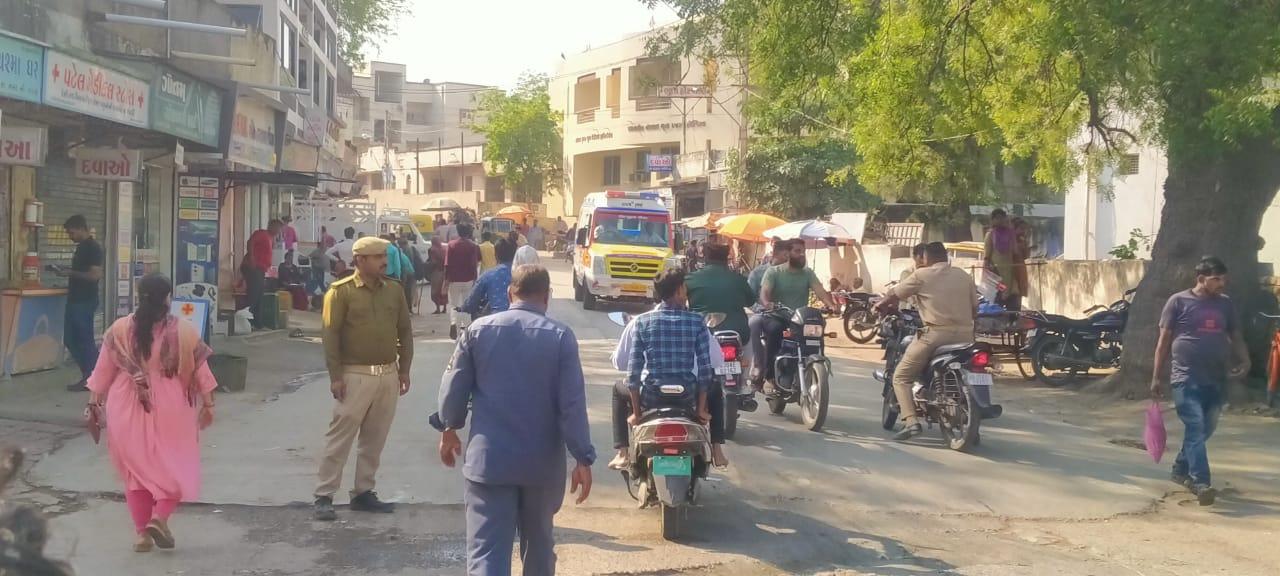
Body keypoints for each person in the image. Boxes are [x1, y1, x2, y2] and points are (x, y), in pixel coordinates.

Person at [436, 265, 595, 576]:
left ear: (510, 293)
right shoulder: (561, 337)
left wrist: (449, 427)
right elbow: (572, 405)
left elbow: (454, 389)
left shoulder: (478, 331)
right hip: (541, 468)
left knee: (487, 556)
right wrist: (582, 457)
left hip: (489, 464)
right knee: (538, 552)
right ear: (547, 297)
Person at [86, 274, 217, 552]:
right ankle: (159, 518)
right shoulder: (184, 331)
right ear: (167, 299)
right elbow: (201, 370)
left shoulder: (119, 330)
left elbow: (102, 372)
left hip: (124, 405)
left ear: (139, 295)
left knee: (137, 473)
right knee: (175, 466)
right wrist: (208, 404)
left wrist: (93, 402)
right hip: (171, 406)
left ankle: (141, 535)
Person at [314, 237, 413, 521]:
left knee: (375, 438)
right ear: (360, 260)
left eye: (384, 255)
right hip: (354, 374)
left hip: (387, 373)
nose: (384, 261)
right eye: (377, 256)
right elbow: (330, 336)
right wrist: (336, 377)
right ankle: (324, 494)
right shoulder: (340, 292)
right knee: (340, 437)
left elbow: (405, 331)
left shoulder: (394, 290)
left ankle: (363, 492)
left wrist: (404, 369)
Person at [1150, 256, 1249, 506]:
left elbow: (1235, 335)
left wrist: (1245, 361)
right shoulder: (1178, 301)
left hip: (1216, 378)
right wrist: (1155, 377)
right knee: (1195, 426)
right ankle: (1201, 482)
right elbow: (1163, 342)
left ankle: (1180, 469)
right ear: (1201, 278)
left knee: (1206, 428)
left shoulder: (1225, 304)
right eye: (1216, 279)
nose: (1221, 283)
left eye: (1224, 279)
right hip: (1185, 377)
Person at [609, 269, 723, 470]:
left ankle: (622, 452)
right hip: (687, 396)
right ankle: (717, 450)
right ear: (679, 291)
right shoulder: (697, 322)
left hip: (651, 396)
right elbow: (706, 370)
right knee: (716, 386)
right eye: (684, 287)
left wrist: (636, 414)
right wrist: (700, 409)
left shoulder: (642, 322)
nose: (686, 292)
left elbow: (633, 372)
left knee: (618, 389)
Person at [876, 242, 978, 441]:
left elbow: (894, 294)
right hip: (967, 336)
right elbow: (975, 309)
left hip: (936, 335)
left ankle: (911, 422)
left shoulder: (921, 275)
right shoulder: (964, 276)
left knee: (901, 376)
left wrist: (879, 305)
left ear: (925, 258)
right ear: (946, 256)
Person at [750, 239, 838, 389]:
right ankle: (769, 374)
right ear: (787, 253)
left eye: (803, 251)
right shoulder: (774, 272)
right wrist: (767, 303)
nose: (802, 254)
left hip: (800, 319)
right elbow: (765, 292)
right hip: (778, 316)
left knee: (818, 328)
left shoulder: (807, 273)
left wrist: (832, 305)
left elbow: (820, 292)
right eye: (797, 251)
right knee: (774, 330)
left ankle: (817, 361)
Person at [60, 215, 104, 392]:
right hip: (75, 299)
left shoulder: (93, 248)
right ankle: (90, 373)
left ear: (81, 228)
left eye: (72, 232)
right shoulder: (80, 248)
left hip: (85, 300)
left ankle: (93, 377)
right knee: (70, 339)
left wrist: (69, 273)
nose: (70, 236)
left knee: (84, 339)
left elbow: (94, 275)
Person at [687, 243, 755, 348]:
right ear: (726, 259)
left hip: (699, 332)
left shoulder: (690, 279)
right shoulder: (738, 279)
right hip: (738, 332)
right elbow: (751, 301)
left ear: (705, 258)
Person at [242, 219, 282, 330]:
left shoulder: (271, 238)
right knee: (253, 295)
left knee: (259, 296)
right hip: (253, 267)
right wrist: (251, 258)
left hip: (261, 269)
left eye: (280, 229)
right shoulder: (262, 234)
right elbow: (250, 242)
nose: (279, 231)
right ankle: (246, 322)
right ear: (271, 226)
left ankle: (257, 323)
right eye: (277, 228)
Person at [461, 239, 516, 318]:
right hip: (521, 321)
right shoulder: (523, 275)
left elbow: (472, 302)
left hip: (495, 320)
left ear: (496, 255)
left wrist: (465, 307)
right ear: (515, 254)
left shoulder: (488, 275)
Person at [445, 224, 481, 340]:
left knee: (454, 304)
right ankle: (464, 328)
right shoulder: (473, 246)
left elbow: (447, 264)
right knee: (466, 304)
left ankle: (453, 322)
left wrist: (446, 281)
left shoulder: (451, 245)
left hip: (454, 279)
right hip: (468, 279)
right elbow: (474, 264)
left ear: (458, 232)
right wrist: (475, 278)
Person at [983, 208, 1021, 311]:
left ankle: (1013, 324)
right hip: (996, 275)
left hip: (1010, 273)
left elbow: (1015, 251)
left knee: (1014, 303)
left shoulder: (1011, 234)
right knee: (997, 302)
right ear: (992, 220)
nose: (1000, 220)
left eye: (1002, 218)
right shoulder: (990, 235)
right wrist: (987, 271)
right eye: (997, 218)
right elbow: (986, 256)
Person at [427, 237, 449, 314]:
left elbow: (433, 262)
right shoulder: (444, 249)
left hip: (436, 272)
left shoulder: (432, 250)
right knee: (443, 290)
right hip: (444, 272)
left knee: (435, 291)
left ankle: (438, 308)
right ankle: (445, 308)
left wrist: (426, 266)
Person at [396, 237, 417, 314]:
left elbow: (404, 266)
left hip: (406, 273)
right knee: (409, 291)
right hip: (411, 272)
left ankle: (407, 309)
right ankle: (409, 308)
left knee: (406, 292)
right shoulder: (408, 249)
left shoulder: (402, 251)